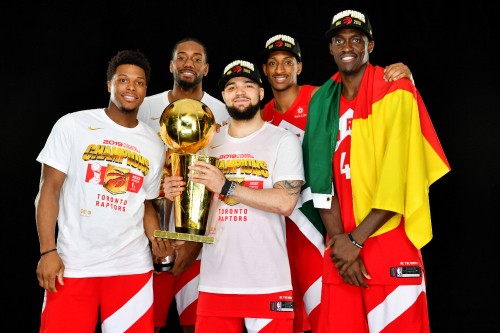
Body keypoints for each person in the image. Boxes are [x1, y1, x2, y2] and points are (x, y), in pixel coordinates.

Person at [301, 9, 451, 333]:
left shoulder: (395, 91)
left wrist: (356, 242)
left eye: (357, 39)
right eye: (339, 40)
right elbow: (319, 180)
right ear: (330, 48)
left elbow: (399, 176)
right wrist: (343, 244)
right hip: (340, 247)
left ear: (370, 45)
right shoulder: (321, 100)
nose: (347, 46)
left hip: (388, 241)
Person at [259, 33, 414, 333]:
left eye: (287, 62)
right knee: (291, 318)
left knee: (326, 317)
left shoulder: (321, 97)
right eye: (272, 63)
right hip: (285, 229)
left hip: (323, 229)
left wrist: (407, 77)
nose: (280, 70)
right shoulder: (262, 115)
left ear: (299, 67)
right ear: (264, 70)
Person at [163, 59, 304, 332]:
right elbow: (195, 198)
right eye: (232, 87)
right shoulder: (207, 141)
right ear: (224, 96)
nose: (240, 91)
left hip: (268, 282)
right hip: (216, 282)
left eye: (248, 85)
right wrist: (173, 191)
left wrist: (227, 186)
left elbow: (286, 202)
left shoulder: (282, 140)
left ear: (261, 93)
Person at [35, 49, 169, 332]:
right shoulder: (73, 125)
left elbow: (146, 203)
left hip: (131, 269)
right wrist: (47, 250)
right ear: (109, 84)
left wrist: (157, 239)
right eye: (123, 80)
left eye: (139, 82)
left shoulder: (155, 145)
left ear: (145, 90)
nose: (131, 87)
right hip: (73, 266)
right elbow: (49, 189)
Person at [137, 37, 229, 333]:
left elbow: (225, 178)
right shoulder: (144, 106)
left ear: (206, 68)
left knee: (198, 325)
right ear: (171, 65)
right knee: (148, 324)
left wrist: (194, 242)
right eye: (182, 57)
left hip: (200, 241)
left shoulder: (222, 111)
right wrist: (150, 234)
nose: (189, 63)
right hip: (147, 235)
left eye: (197, 58)